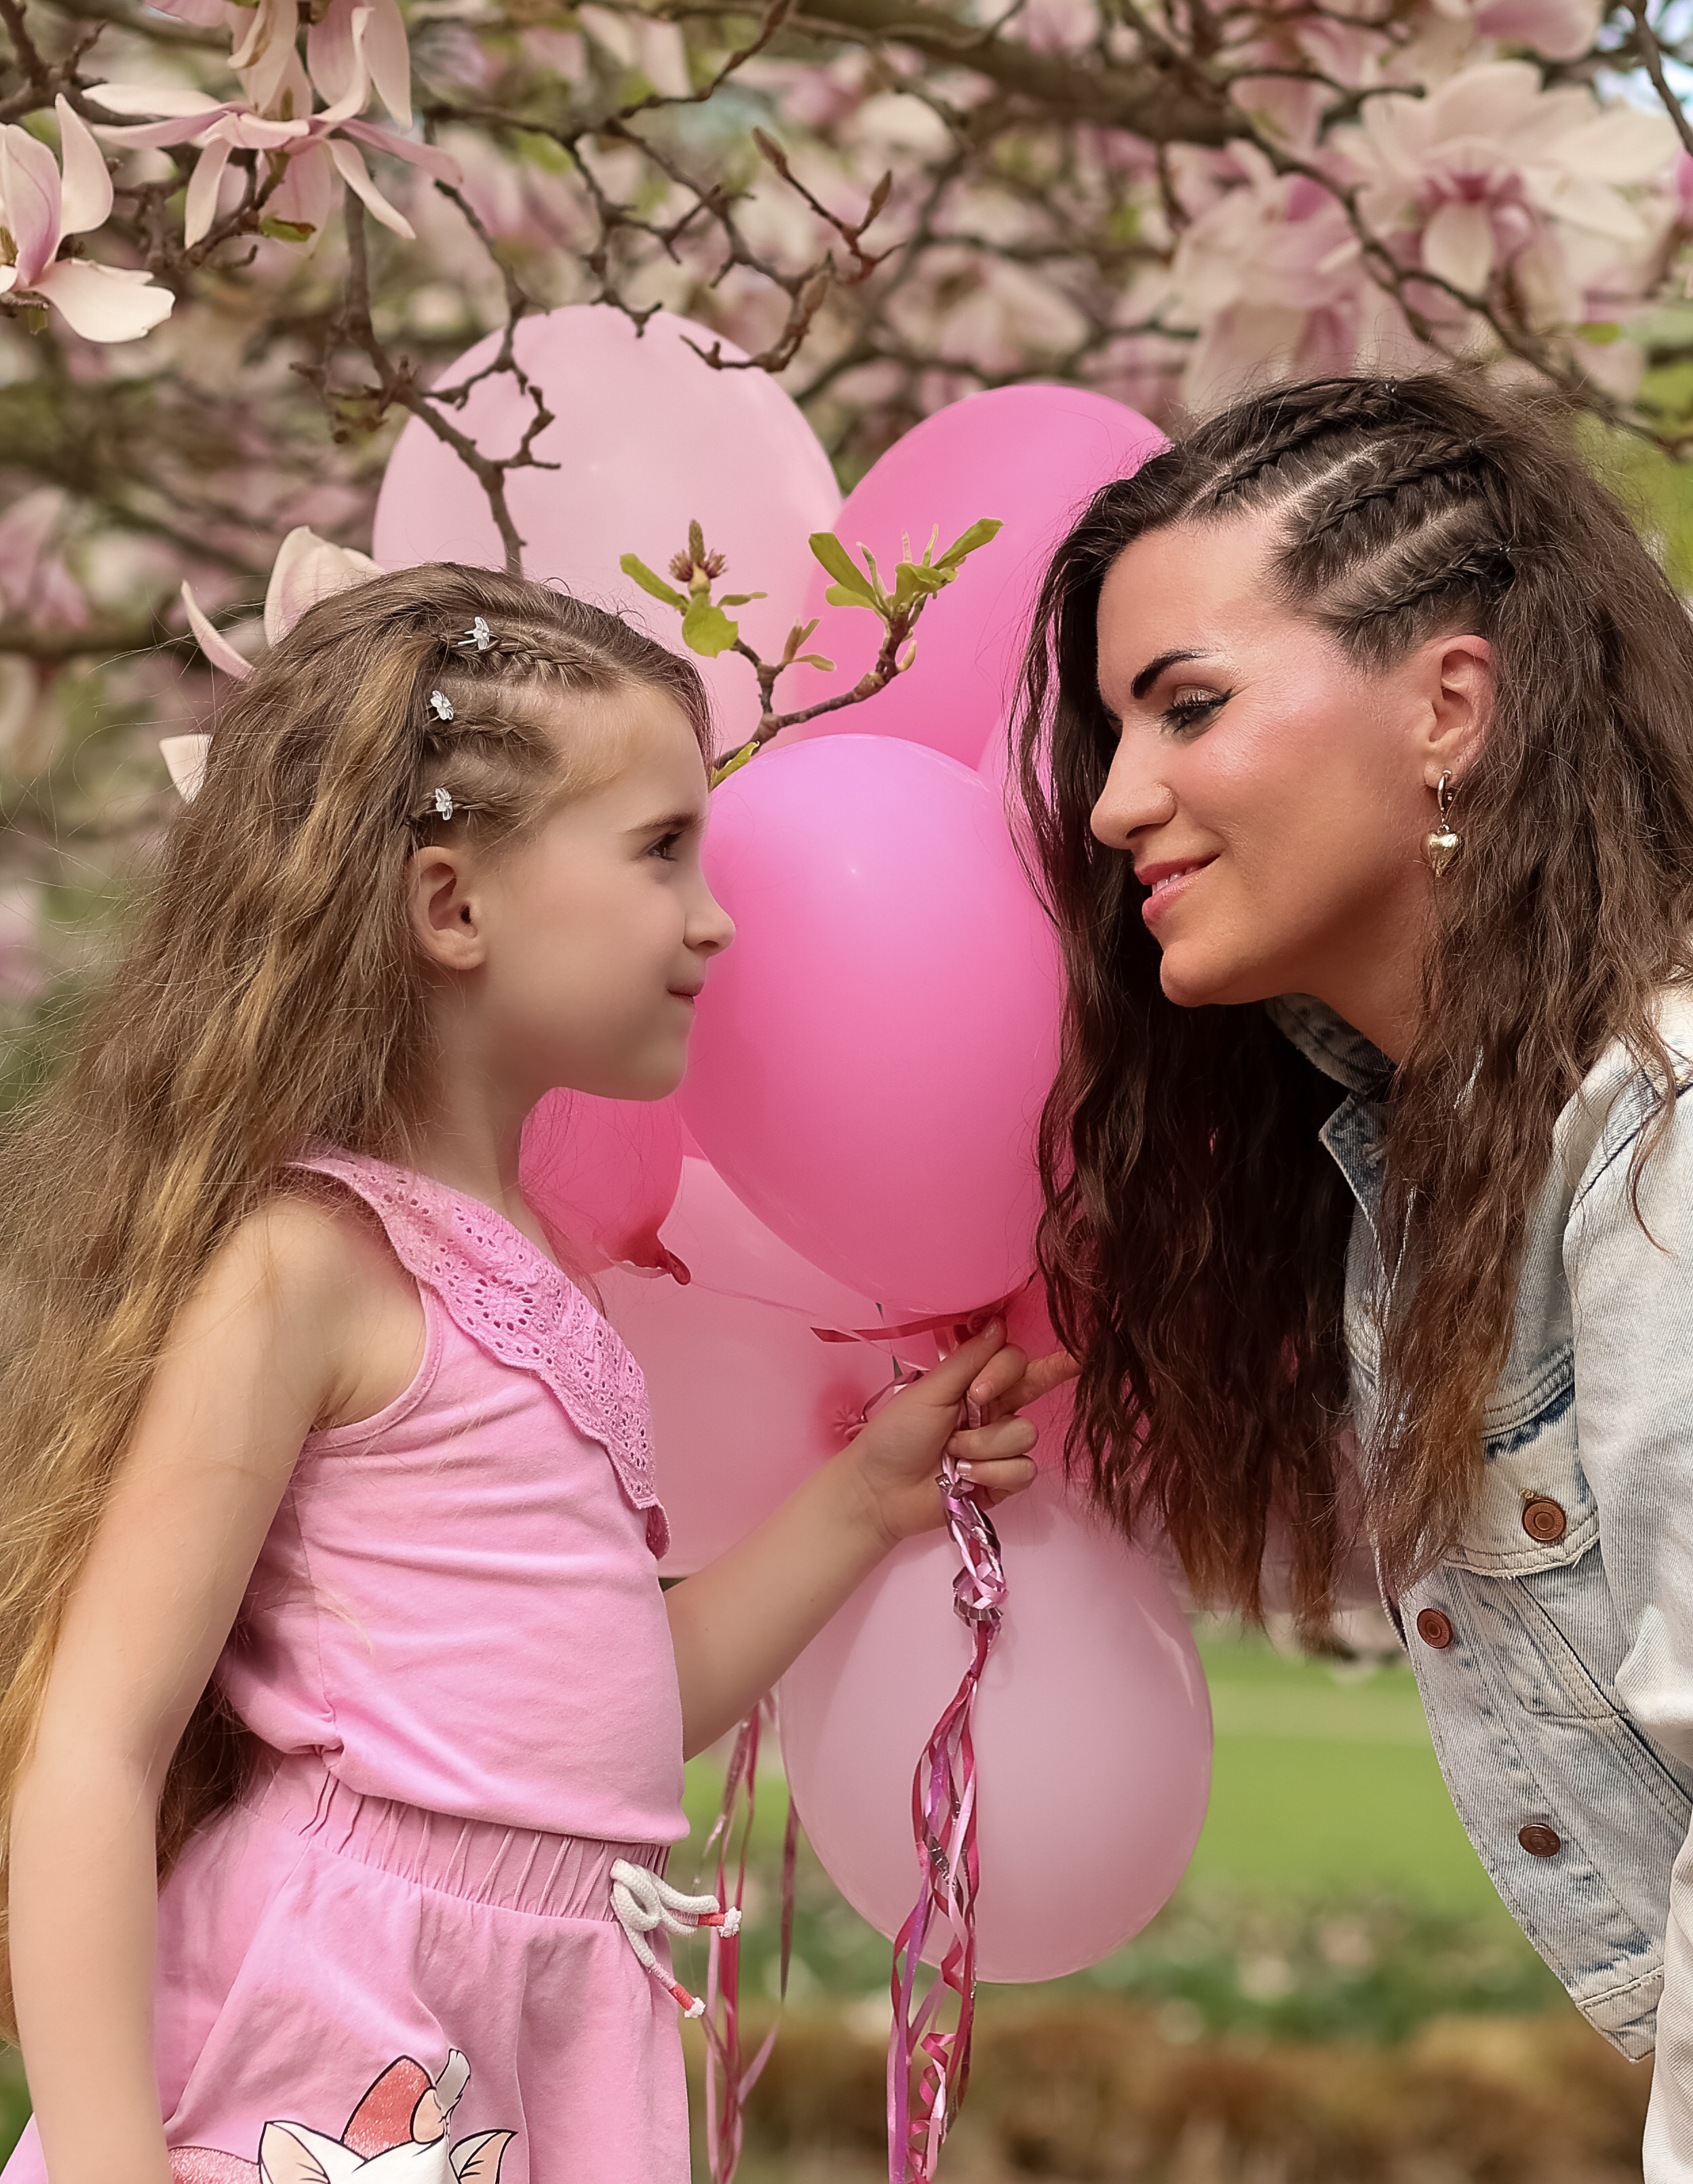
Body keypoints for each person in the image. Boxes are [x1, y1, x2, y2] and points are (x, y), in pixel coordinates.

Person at [0, 562, 1038, 2184]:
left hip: (550, 1995)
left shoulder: (534, 1271)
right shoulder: (308, 1267)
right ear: (453, 905)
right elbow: (96, 1745)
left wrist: (861, 1503)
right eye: (658, 853)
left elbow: (600, 1732)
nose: (715, 915)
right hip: (348, 2026)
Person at [1014, 369, 1693, 2175]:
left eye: (1190, 709)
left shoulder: (1666, 1146)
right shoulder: (1436, 1170)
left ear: (1448, 707)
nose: (1115, 805)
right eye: (1116, 732)